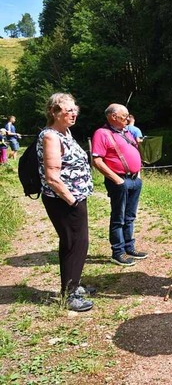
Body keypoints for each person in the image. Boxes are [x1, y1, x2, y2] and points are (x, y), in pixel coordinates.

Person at [38, 93, 94, 312]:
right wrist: (72, 200)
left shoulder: (65, 133)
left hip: (74, 198)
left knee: (74, 242)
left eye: (75, 109)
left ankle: (73, 285)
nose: (74, 113)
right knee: (76, 243)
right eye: (68, 110)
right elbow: (52, 176)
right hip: (64, 200)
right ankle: (69, 295)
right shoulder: (51, 136)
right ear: (54, 112)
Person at [91, 104, 147, 266]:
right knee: (119, 217)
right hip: (120, 181)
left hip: (135, 179)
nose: (127, 119)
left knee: (130, 216)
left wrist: (139, 175)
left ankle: (129, 247)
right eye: (124, 116)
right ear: (112, 117)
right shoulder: (102, 134)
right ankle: (118, 252)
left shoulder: (126, 132)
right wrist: (117, 180)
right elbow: (97, 160)